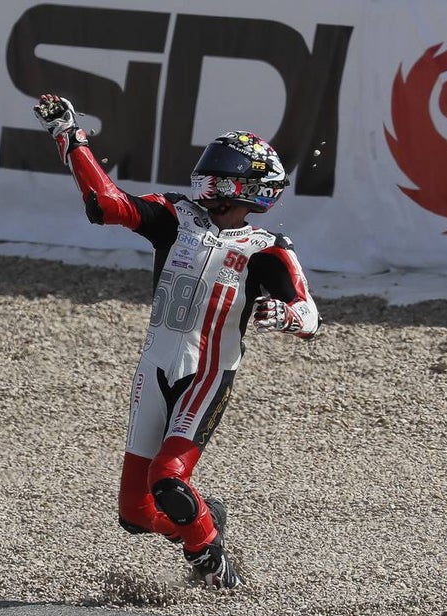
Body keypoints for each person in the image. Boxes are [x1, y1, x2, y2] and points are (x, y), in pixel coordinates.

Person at [33, 93, 321, 588]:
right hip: (153, 369)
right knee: (136, 512)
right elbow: (106, 205)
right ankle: (205, 519)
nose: (208, 178)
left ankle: (211, 560)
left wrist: (285, 315)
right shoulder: (175, 214)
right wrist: (69, 135)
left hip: (206, 376)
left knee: (168, 480)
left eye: (223, 171)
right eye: (211, 167)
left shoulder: (267, 248)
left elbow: (310, 315)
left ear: (251, 188)